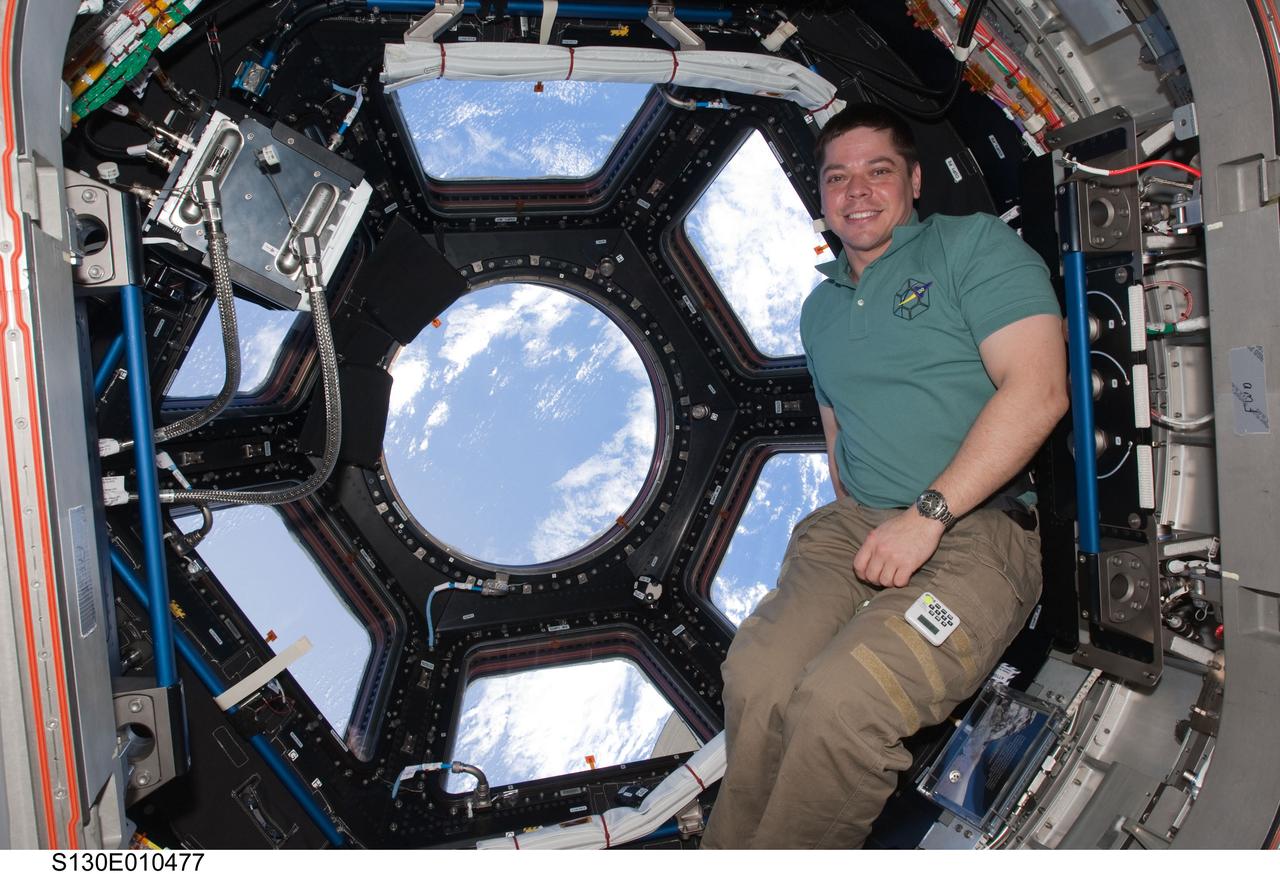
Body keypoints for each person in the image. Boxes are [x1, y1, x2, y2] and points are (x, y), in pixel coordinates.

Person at [700, 103, 1069, 849]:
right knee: (759, 676)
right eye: (838, 177)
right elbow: (839, 431)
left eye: (879, 170)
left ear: (915, 180)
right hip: (856, 530)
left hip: (975, 531)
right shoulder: (819, 311)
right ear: (822, 197)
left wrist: (927, 515)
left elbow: (1039, 391)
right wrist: (864, 526)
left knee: (843, 702)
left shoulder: (971, 246)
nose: (857, 190)